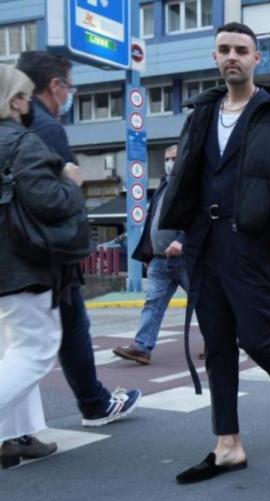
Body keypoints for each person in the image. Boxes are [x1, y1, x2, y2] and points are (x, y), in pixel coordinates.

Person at [158, 22, 270, 484]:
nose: (231, 56)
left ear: (257, 59)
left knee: (255, 337)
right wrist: (178, 228)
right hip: (204, 244)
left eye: (240, 50)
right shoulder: (200, 113)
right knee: (216, 345)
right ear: (215, 58)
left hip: (251, 245)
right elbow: (184, 179)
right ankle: (227, 444)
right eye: (223, 50)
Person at [16, 51, 142, 427]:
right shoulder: (45, 128)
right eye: (70, 87)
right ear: (55, 86)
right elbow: (53, 196)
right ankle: (94, 404)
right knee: (48, 343)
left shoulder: (15, 124)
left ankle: (22, 431)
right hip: (44, 253)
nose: (69, 95)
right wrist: (74, 185)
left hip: (21, 253)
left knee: (23, 343)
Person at [0, 65, 86, 467]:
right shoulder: (21, 141)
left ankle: (14, 436)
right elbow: (49, 202)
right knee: (34, 350)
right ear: (14, 100)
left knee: (13, 349)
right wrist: (70, 181)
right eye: (25, 95)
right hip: (21, 264)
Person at [113, 146, 187, 365]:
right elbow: (151, 223)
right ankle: (142, 347)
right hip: (159, 259)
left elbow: (199, 220)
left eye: (174, 158)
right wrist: (149, 256)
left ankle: (221, 341)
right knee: (152, 303)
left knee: (205, 303)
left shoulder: (190, 186)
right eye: (167, 158)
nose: (170, 162)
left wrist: (182, 241)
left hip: (186, 259)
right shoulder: (163, 186)